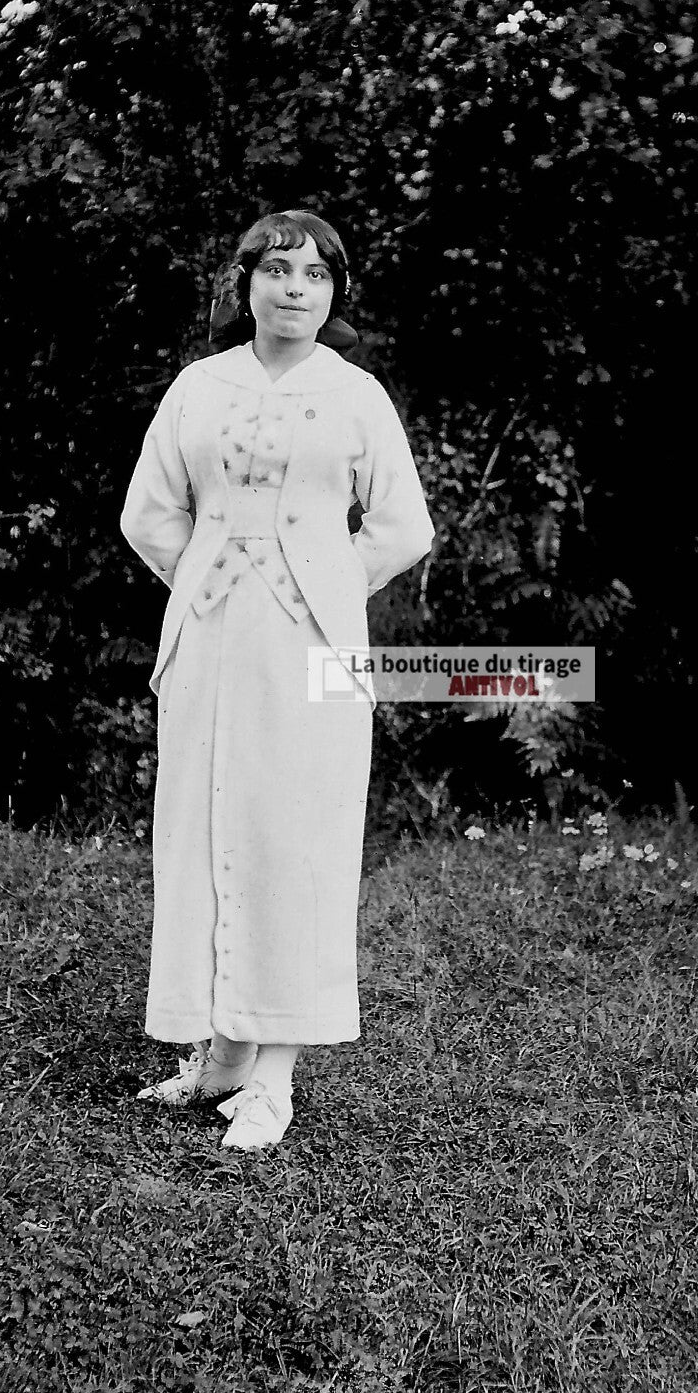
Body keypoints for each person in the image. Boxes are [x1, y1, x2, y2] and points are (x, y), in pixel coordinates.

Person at [119, 209, 435, 1149]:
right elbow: (149, 513)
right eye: (277, 271)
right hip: (208, 637)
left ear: (333, 293)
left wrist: (320, 584)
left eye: (315, 275)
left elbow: (401, 526)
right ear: (245, 284)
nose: (294, 288)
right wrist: (215, 571)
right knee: (207, 825)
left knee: (296, 839)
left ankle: (274, 1078)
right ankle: (220, 1054)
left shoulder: (356, 396)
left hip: (316, 646)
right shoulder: (198, 387)